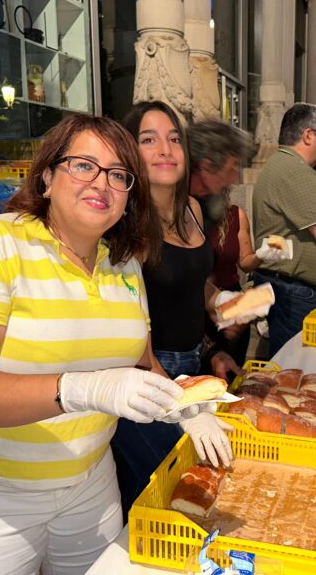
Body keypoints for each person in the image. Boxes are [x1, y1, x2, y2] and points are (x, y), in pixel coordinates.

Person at [0, 115, 230, 573]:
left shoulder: (122, 265)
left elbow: (144, 363)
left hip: (90, 484)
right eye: (83, 165)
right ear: (47, 176)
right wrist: (82, 389)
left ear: (129, 198)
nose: (101, 182)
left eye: (119, 175)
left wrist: (183, 408)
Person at [115, 101, 238, 516]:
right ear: (129, 152)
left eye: (173, 139)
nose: (165, 149)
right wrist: (179, 404)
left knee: (201, 489)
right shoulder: (126, 225)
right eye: (149, 140)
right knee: (158, 496)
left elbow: (192, 285)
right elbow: (130, 336)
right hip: (147, 377)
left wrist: (217, 321)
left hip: (191, 368)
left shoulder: (194, 209)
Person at [252, 102, 316, 356]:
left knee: (286, 365)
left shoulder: (279, 164)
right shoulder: (297, 171)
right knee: (294, 369)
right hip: (294, 293)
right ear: (308, 135)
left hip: (285, 286)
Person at [186, 118, 283, 368]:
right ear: (207, 167)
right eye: (231, 168)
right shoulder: (175, 211)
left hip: (212, 325)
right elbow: (177, 287)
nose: (235, 180)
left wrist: (225, 305)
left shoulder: (214, 209)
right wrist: (221, 306)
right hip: (185, 338)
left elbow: (198, 280)